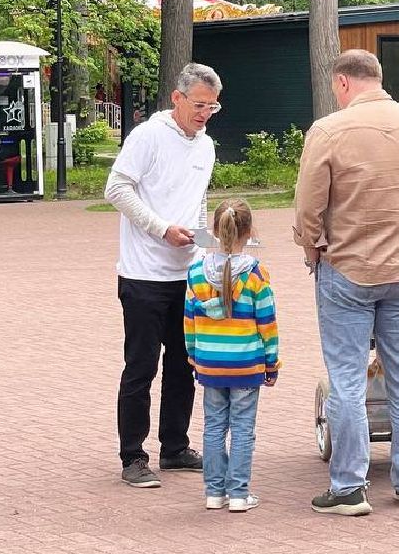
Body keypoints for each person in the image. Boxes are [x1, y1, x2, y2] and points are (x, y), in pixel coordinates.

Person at [294, 49, 399, 516]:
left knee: (348, 379)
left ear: (343, 83)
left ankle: (350, 486)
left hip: (349, 268)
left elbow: (309, 203)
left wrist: (311, 247)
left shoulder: (329, 131)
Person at [104, 62, 222, 488]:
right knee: (141, 366)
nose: (205, 113)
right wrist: (160, 229)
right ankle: (133, 455)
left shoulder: (205, 146)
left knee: (184, 365)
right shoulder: (148, 136)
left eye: (212, 106)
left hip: (187, 274)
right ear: (177, 98)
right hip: (143, 275)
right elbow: (115, 189)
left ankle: (174, 447)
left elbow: (198, 201)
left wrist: (208, 246)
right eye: (198, 104)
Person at [184, 199, 279, 513]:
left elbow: (189, 320)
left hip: (210, 363)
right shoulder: (255, 274)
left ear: (214, 229)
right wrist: (271, 362)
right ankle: (238, 493)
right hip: (246, 364)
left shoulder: (197, 272)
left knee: (213, 426)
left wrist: (194, 356)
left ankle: (214, 492)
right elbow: (266, 322)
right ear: (249, 231)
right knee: (242, 429)